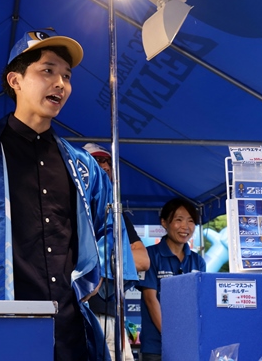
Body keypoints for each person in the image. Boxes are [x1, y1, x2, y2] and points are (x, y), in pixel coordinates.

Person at [0, 29, 138, 361]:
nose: (60, 83)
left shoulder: (82, 166)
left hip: (68, 330)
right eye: (48, 70)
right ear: (15, 80)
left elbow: (109, 229)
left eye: (67, 76)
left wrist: (98, 277)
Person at [83, 143, 149, 361]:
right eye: (96, 161)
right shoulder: (71, 209)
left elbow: (142, 260)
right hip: (79, 311)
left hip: (111, 315)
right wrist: (112, 259)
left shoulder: (116, 213)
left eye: (107, 162)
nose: (104, 166)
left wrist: (99, 261)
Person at [137, 198, 206, 361]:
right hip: (156, 347)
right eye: (179, 220)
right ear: (164, 223)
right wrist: (171, 337)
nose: (185, 226)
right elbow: (150, 299)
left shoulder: (198, 261)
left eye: (190, 221)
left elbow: (200, 303)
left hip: (189, 345)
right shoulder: (150, 255)